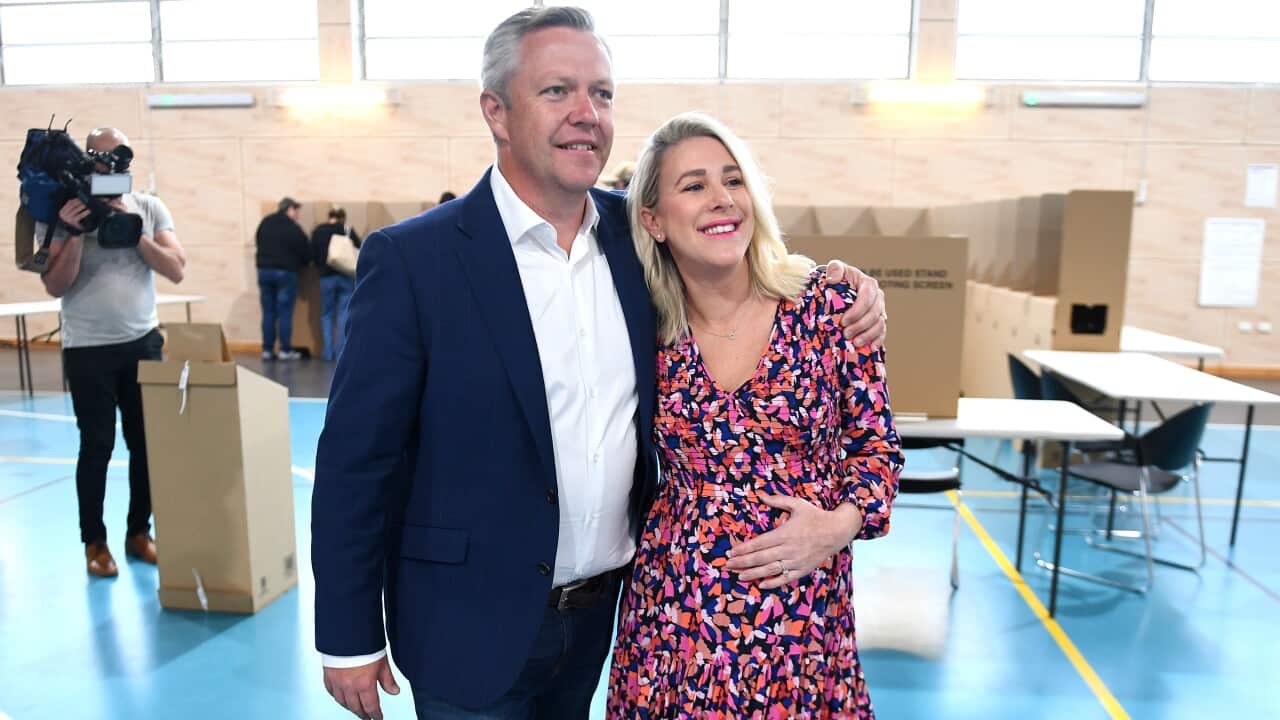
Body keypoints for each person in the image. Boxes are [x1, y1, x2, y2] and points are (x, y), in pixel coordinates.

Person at [311, 8, 887, 720]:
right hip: (467, 621)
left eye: (603, 94)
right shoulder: (415, 260)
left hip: (603, 618)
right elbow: (355, 462)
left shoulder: (636, 241)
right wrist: (347, 636)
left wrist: (848, 282)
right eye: (558, 91)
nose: (587, 114)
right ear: (496, 110)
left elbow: (736, 250)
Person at [607, 112, 903, 718]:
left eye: (734, 180)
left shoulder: (828, 304)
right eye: (694, 186)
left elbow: (878, 449)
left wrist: (839, 525)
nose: (722, 200)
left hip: (801, 612)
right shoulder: (641, 327)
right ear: (653, 220)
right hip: (676, 612)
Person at [37, 127, 187, 578]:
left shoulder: (148, 206)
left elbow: (177, 269)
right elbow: (53, 285)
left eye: (117, 158)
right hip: (87, 348)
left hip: (142, 342)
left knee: (147, 446)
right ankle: (95, 543)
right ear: (85, 161)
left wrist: (131, 227)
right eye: (100, 158)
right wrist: (76, 231)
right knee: (97, 445)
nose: (110, 167)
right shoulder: (62, 211)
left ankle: (139, 532)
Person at [254, 197, 309, 360]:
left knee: (268, 312)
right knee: (285, 312)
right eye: (297, 211)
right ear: (290, 209)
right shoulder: (292, 227)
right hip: (285, 272)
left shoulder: (265, 222)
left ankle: (267, 350)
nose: (298, 215)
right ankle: (285, 350)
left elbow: (258, 242)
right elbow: (304, 250)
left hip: (264, 271)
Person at [310, 207, 362, 361]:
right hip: (345, 276)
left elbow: (311, 253)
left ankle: (327, 352)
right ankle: (341, 352)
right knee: (343, 314)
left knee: (327, 314)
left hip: (325, 277)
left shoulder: (318, 231)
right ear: (343, 218)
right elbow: (359, 249)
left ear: (329, 216)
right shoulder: (347, 229)